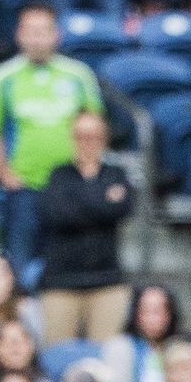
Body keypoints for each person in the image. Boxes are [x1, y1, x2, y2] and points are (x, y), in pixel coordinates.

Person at [0, 1, 102, 281]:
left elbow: (94, 126)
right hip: (25, 188)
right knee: (19, 267)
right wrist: (5, 174)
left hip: (71, 187)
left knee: (68, 267)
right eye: (30, 31)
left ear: (56, 34)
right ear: (18, 34)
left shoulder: (78, 75)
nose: (36, 38)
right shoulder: (3, 78)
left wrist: (87, 170)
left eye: (43, 31)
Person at [36, 111, 134, 346]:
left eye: (93, 136)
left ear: (104, 139)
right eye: (80, 136)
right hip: (61, 283)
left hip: (107, 282)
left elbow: (122, 209)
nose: (86, 143)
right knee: (56, 358)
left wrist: (78, 201)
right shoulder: (58, 175)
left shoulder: (116, 173)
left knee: (105, 363)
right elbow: (56, 214)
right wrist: (101, 200)